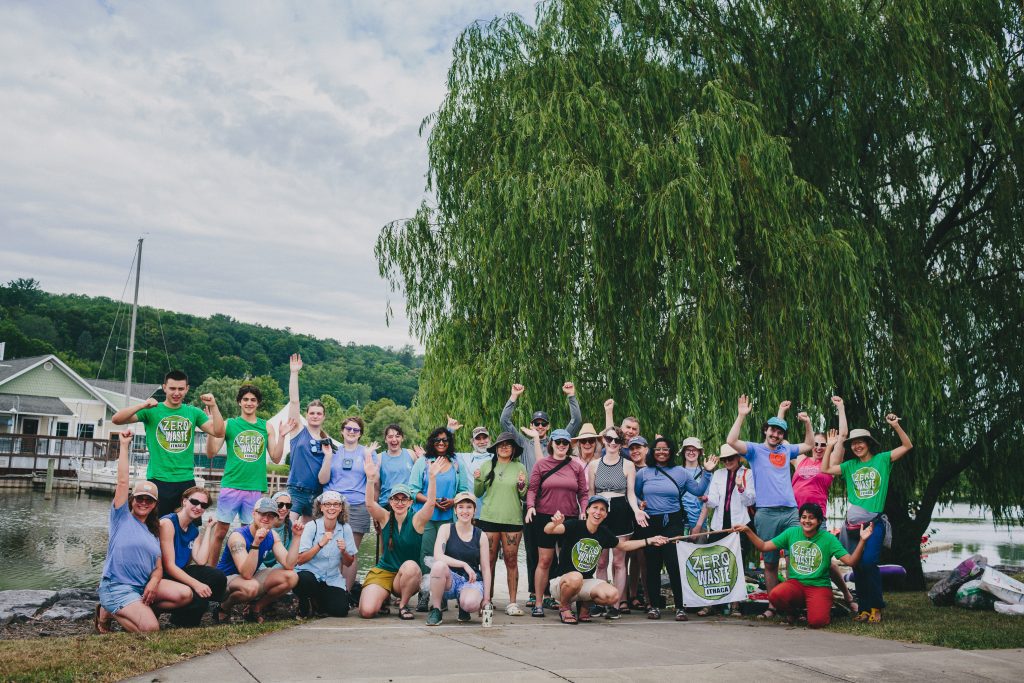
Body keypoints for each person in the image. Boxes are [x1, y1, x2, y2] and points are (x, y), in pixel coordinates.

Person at [95, 429, 193, 633]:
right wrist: (124, 446)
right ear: (132, 500)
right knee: (151, 629)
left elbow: (157, 568)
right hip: (117, 587)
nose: (144, 502)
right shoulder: (121, 518)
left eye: (149, 500)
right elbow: (122, 482)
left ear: (155, 504)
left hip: (142, 587)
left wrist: (154, 582)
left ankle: (138, 609)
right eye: (140, 498)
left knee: (185, 595)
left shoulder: (154, 531)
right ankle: (109, 610)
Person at [726, 394, 813, 617]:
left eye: (780, 432)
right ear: (766, 430)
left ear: (783, 436)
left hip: (791, 511)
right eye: (772, 430)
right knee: (771, 562)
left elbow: (809, 444)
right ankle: (773, 605)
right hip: (766, 513)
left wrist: (807, 423)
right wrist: (741, 415)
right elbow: (731, 441)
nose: (775, 434)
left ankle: (795, 605)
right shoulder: (755, 450)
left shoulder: (786, 450)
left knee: (796, 559)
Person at [822, 412, 913, 623]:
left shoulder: (882, 460)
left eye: (860, 442)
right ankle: (863, 609)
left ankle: (876, 607)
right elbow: (825, 468)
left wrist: (896, 426)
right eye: (853, 443)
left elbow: (907, 446)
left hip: (873, 523)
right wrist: (830, 446)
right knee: (857, 565)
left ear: (869, 443)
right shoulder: (849, 466)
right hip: (852, 526)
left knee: (869, 562)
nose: (857, 446)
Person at [499, 381, 581, 608]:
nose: (540, 426)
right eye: (536, 423)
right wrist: (513, 397)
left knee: (557, 551)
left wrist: (571, 396)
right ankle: (534, 593)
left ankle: (553, 592)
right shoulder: (523, 443)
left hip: (557, 504)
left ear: (549, 426)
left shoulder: (559, 441)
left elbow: (576, 421)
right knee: (534, 550)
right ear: (531, 425)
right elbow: (505, 422)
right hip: (532, 503)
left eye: (544, 423)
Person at [739, 503, 874, 628]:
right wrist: (748, 530)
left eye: (811, 518)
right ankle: (794, 612)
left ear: (819, 521)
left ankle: (823, 604)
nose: (807, 521)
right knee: (775, 595)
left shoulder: (828, 539)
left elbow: (851, 561)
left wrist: (862, 541)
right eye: (804, 517)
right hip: (796, 584)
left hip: (818, 586)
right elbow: (763, 546)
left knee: (817, 622)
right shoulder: (791, 533)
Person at [111, 370, 225, 516]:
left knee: (188, 526)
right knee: (156, 525)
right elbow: (116, 419)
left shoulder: (193, 412)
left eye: (180, 389)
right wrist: (142, 405)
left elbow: (218, 432)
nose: (176, 393)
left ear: (187, 389)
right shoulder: (151, 410)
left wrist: (214, 406)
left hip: (186, 481)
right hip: (158, 480)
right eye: (172, 388)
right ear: (164, 387)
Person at [204, 384, 295, 566]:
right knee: (221, 531)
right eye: (245, 399)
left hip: (254, 487)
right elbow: (211, 452)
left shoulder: (266, 426)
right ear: (239, 402)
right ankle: (212, 571)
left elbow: (276, 458)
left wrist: (282, 436)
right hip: (232, 484)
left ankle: (242, 569)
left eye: (253, 400)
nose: (249, 403)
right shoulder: (230, 424)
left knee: (250, 533)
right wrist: (211, 430)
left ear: (258, 403)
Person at [545, 497, 669, 624]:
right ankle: (564, 607)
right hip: (561, 583)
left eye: (602, 509)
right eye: (595, 508)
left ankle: (584, 607)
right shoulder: (575, 525)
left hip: (583, 583)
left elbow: (624, 545)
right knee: (576, 577)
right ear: (587, 510)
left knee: (613, 595)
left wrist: (649, 540)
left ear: (605, 515)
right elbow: (548, 530)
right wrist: (555, 523)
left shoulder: (603, 532)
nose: (598, 512)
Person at [634, 436, 716, 620]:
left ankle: (680, 607)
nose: (661, 452)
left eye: (665, 449)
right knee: (653, 565)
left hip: (673, 521)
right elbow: (635, 494)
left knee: (674, 564)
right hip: (650, 522)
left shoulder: (680, 472)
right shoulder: (643, 473)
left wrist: (708, 472)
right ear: (652, 452)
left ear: (671, 452)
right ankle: (654, 606)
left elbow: (698, 491)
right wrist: (640, 504)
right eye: (658, 449)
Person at [358, 456, 443, 619]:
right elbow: (369, 504)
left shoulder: (417, 520)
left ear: (410, 502)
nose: (400, 502)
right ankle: (383, 599)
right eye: (396, 499)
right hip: (384, 571)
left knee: (411, 566)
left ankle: (403, 605)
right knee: (367, 611)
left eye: (404, 499)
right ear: (390, 502)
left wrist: (432, 478)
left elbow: (431, 504)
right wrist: (370, 479)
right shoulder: (385, 517)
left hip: (406, 576)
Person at [524, 427, 588, 618]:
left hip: (569, 518)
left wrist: (584, 510)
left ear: (569, 445)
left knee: (568, 561)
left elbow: (583, 493)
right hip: (545, 516)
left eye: (565, 442)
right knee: (544, 560)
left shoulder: (576, 466)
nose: (561, 445)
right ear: (551, 443)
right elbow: (532, 489)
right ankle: (538, 602)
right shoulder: (541, 464)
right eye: (558, 441)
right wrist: (530, 506)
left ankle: (565, 603)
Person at [587, 427, 648, 619]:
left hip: (621, 511)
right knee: (601, 561)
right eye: (609, 439)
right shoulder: (594, 465)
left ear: (622, 444)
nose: (613, 443)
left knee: (619, 562)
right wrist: (588, 513)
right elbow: (591, 493)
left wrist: (637, 510)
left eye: (617, 440)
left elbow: (631, 493)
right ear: (603, 440)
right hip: (600, 511)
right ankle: (600, 601)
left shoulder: (628, 465)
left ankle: (615, 604)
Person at [409, 426, 470, 611]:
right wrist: (431, 501)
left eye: (445, 440)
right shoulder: (423, 462)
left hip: (449, 518)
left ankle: (442, 595)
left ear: (450, 442)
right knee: (426, 555)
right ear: (432, 442)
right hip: (426, 518)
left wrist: (453, 501)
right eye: (437, 440)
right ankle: (424, 594)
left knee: (445, 557)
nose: (441, 443)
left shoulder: (457, 464)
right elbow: (412, 491)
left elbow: (463, 491)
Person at [214, 497, 302, 623]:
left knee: (291, 577)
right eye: (262, 514)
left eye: (271, 515)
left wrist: (297, 537)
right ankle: (223, 607)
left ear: (275, 518)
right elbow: (246, 573)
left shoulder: (272, 535)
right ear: (254, 513)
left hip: (248, 579)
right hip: (225, 580)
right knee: (251, 587)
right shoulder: (238, 536)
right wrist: (255, 544)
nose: (266, 518)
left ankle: (255, 608)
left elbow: (289, 564)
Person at [318, 415, 376, 597]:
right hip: (333, 505)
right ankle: (331, 591)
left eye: (356, 430)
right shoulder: (333, 451)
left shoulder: (367, 452)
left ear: (360, 433)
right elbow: (322, 480)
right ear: (342, 431)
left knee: (350, 551)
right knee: (331, 550)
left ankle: (346, 594)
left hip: (358, 505)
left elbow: (373, 480)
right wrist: (328, 457)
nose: (352, 432)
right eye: (348, 429)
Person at [695, 443, 755, 617]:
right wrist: (705, 498)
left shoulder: (748, 473)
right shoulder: (718, 474)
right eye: (725, 459)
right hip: (719, 525)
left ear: (738, 458)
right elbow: (714, 501)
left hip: (739, 524)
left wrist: (741, 488)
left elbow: (750, 500)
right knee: (715, 565)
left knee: (737, 565)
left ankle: (735, 605)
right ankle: (713, 604)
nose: (728, 461)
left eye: (731, 458)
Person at [473, 431, 528, 615]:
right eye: (501, 445)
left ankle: (512, 602)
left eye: (508, 445)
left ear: (513, 449)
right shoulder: (487, 465)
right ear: (495, 448)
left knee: (511, 560)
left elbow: (523, 495)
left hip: (512, 519)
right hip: (489, 518)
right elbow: (478, 493)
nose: (504, 447)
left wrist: (522, 485)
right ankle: (487, 600)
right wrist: (477, 479)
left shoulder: (520, 467)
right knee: (488, 561)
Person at [158, 486, 227, 626]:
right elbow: (169, 566)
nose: (198, 507)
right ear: (184, 501)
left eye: (203, 505)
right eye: (194, 502)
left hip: (178, 573)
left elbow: (201, 560)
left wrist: (208, 529)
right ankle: (156, 608)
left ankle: (179, 619)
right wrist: (197, 585)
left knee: (217, 576)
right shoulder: (168, 523)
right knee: (199, 600)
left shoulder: (193, 530)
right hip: (161, 575)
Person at [426, 492, 492, 625]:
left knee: (470, 603)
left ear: (474, 510)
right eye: (461, 507)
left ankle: (463, 607)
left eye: (469, 507)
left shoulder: (481, 535)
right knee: (438, 566)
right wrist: (463, 564)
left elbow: (486, 569)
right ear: (455, 510)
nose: (465, 511)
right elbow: (438, 555)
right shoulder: (445, 529)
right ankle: (437, 609)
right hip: (449, 580)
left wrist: (486, 599)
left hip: (470, 580)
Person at [294, 491, 358, 617]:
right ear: (321, 507)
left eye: (336, 504)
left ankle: (318, 603)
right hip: (310, 575)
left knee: (341, 610)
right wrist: (320, 545)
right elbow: (300, 560)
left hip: (331, 578)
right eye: (327, 504)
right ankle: (307, 601)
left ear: (341, 508)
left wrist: (344, 552)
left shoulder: (345, 528)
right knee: (305, 579)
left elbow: (349, 563)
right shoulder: (311, 526)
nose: (332, 508)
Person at [285, 354, 331, 524]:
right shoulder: (298, 430)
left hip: (316, 493)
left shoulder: (327, 441)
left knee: (309, 534)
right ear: (306, 415)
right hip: (296, 491)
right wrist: (294, 373)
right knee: (287, 528)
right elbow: (294, 401)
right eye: (312, 413)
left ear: (324, 417)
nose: (315, 416)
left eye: (319, 413)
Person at [455, 422, 493, 519]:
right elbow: (445, 452)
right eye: (478, 438)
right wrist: (450, 430)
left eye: (484, 438)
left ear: (489, 439)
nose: (482, 441)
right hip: (472, 513)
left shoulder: (497, 458)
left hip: (493, 513)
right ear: (472, 441)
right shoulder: (463, 457)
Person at [376, 423, 419, 505]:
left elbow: (421, 478)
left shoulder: (411, 454)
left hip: (408, 503)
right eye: (390, 437)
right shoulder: (379, 458)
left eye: (397, 436)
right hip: (387, 503)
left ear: (402, 438)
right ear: (385, 439)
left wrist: (424, 458)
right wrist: (374, 507)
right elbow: (376, 487)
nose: (394, 439)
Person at [679, 437, 708, 533]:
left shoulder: (706, 473)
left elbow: (708, 503)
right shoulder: (676, 471)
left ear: (699, 452)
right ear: (683, 452)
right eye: (688, 449)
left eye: (694, 450)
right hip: (678, 522)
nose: (691, 452)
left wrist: (698, 526)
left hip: (699, 524)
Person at [262, 490, 295, 569]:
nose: (284, 508)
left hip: (279, 567)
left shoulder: (290, 526)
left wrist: (273, 570)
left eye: (288, 505)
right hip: (258, 567)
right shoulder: (262, 523)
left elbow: (289, 556)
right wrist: (265, 571)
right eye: (280, 505)